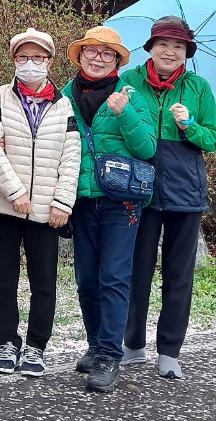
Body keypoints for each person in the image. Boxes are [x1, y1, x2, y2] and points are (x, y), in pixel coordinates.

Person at [121, 16, 216, 380]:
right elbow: (113, 125)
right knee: (135, 271)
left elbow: (214, 139)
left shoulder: (198, 87)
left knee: (178, 276)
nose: (170, 51)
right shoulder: (128, 81)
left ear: (186, 53)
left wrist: (189, 126)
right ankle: (132, 346)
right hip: (140, 189)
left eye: (178, 46)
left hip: (186, 193)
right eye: (163, 43)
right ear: (150, 47)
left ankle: (170, 352)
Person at [61, 26, 157, 394]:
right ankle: (96, 343)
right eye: (92, 51)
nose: (98, 58)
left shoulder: (130, 94)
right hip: (82, 199)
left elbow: (147, 147)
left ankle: (108, 356)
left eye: (107, 53)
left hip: (123, 201)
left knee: (114, 277)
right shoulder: (65, 95)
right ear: (81, 55)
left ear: (117, 60)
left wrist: (126, 113)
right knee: (87, 279)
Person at [0, 28, 80, 377]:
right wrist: (15, 192)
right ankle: (8, 342)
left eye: (38, 57)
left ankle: (37, 347)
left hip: (47, 211)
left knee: (44, 282)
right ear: (14, 60)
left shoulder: (63, 104)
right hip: (5, 208)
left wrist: (63, 203)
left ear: (50, 61)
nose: (31, 64)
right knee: (3, 278)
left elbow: (71, 157)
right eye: (23, 57)